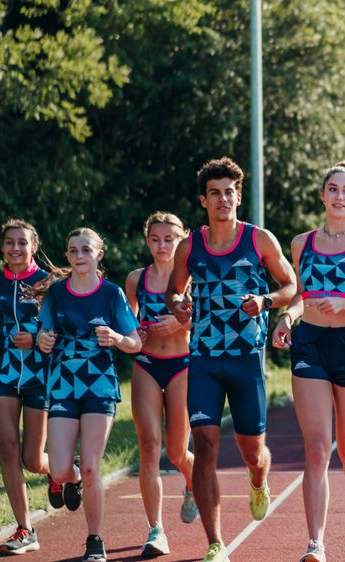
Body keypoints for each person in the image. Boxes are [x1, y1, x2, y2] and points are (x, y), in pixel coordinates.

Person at [168, 157, 297, 562]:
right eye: (214, 194)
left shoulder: (259, 240)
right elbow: (175, 291)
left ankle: (259, 481)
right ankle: (216, 543)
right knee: (204, 447)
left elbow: (291, 285)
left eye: (229, 192)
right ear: (203, 201)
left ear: (238, 196)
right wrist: (178, 306)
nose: (223, 199)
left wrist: (265, 300)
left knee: (252, 453)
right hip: (204, 359)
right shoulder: (190, 246)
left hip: (245, 359)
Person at [271, 159, 345, 562]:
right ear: (322, 195)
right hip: (310, 344)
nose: (340, 196)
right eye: (333, 189)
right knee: (317, 449)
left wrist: (344, 303)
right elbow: (301, 294)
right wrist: (287, 317)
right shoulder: (301, 243)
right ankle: (315, 543)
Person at [36, 227, 143, 562]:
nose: (79, 256)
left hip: (99, 387)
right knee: (59, 466)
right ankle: (71, 476)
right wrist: (43, 340)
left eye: (86, 250)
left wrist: (115, 337)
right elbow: (42, 331)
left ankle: (95, 540)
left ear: (100, 254)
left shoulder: (111, 294)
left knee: (96, 466)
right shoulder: (56, 294)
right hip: (64, 385)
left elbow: (135, 342)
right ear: (67, 256)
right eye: (73, 251)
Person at [0, 219, 53, 555]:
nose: (15, 248)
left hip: (39, 378)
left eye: (22, 242)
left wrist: (35, 339)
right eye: (10, 242)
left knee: (33, 460)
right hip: (5, 377)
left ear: (34, 246)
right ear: (3, 247)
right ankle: (25, 528)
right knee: (7, 449)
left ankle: (64, 471)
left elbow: (59, 325)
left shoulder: (49, 283)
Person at [125, 212, 198, 558]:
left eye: (169, 239)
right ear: (147, 240)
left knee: (177, 451)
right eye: (155, 239)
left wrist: (182, 325)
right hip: (148, 365)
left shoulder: (193, 278)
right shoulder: (135, 280)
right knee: (150, 447)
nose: (162, 245)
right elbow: (129, 324)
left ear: (181, 240)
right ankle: (156, 530)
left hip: (183, 365)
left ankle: (191, 482)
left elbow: (209, 323)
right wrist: (135, 333)